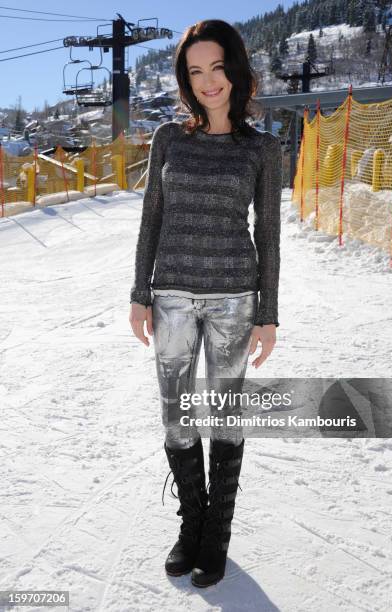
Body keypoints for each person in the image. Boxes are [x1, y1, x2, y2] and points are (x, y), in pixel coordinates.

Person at [129, 19, 282, 588]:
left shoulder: (263, 147)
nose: (207, 81)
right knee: (177, 415)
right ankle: (191, 524)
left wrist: (268, 313)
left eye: (216, 67)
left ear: (236, 71)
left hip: (234, 301)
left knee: (224, 415)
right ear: (185, 80)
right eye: (195, 71)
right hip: (170, 297)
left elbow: (269, 234)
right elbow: (152, 219)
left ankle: (216, 535)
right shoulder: (169, 138)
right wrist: (139, 294)